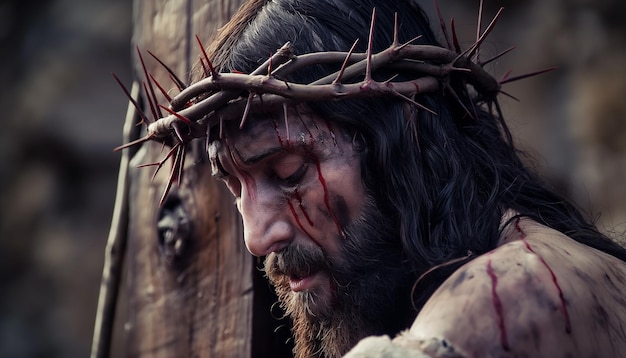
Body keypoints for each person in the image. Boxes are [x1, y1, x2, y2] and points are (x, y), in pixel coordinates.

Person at [141, 0, 626, 356]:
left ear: (403, 140)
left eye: (288, 172)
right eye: (235, 185)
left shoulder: (480, 318)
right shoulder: (553, 266)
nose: (256, 236)